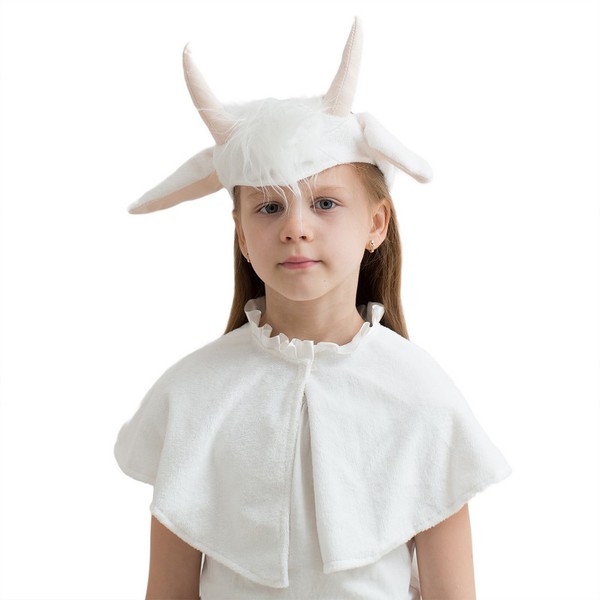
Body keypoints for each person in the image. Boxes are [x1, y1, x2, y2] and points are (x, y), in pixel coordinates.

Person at [115, 18, 511, 600]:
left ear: (376, 223)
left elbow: (454, 594)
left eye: (325, 203)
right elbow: (167, 593)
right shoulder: (192, 395)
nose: (295, 228)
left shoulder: (421, 395)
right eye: (269, 207)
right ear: (242, 234)